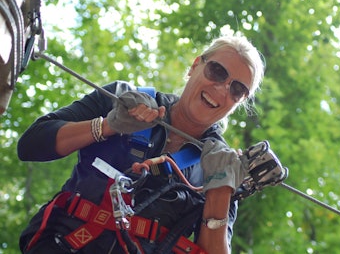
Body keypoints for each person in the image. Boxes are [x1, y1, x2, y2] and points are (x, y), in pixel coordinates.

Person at [18, 35, 265, 254]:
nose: (222, 89)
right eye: (217, 72)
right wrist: (107, 126)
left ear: (239, 102)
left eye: (237, 89)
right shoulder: (123, 99)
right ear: (195, 66)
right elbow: (31, 144)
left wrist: (221, 190)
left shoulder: (221, 166)